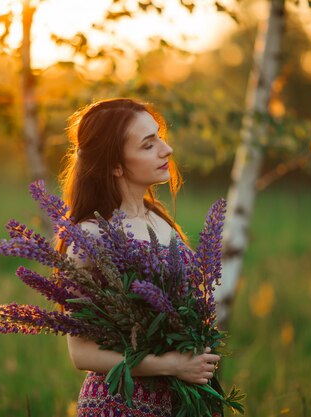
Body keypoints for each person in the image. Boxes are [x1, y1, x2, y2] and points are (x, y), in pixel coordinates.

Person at [56, 98, 221, 417]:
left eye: (159, 136)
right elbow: (81, 354)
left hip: (179, 401)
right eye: (148, 145)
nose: (166, 149)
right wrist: (171, 365)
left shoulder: (158, 219)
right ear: (115, 165)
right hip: (121, 404)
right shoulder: (90, 237)